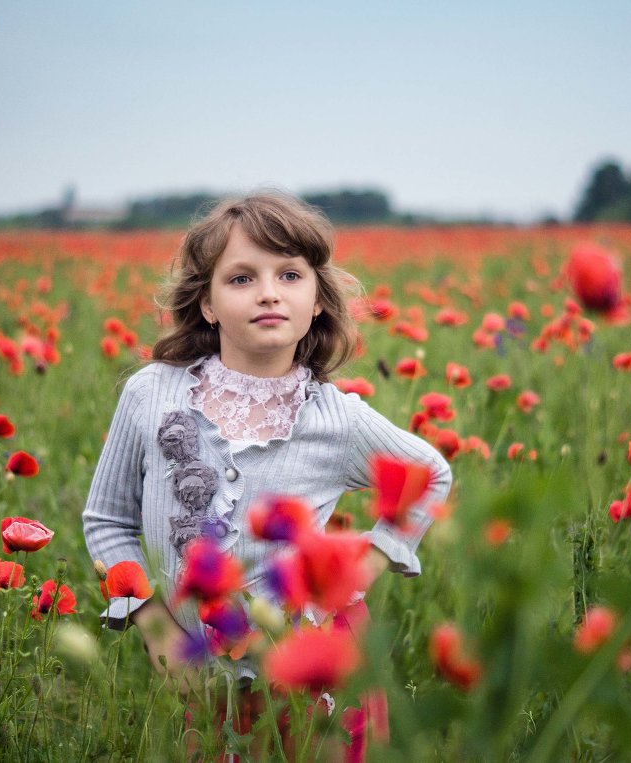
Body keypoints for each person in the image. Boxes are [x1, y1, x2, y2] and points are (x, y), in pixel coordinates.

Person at [81, 191, 452, 755]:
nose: (268, 292)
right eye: (241, 279)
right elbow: (107, 521)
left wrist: (368, 565)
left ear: (318, 301)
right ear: (206, 304)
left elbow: (431, 474)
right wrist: (157, 631)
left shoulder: (337, 419)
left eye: (289, 275)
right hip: (198, 675)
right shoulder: (151, 394)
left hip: (312, 669)